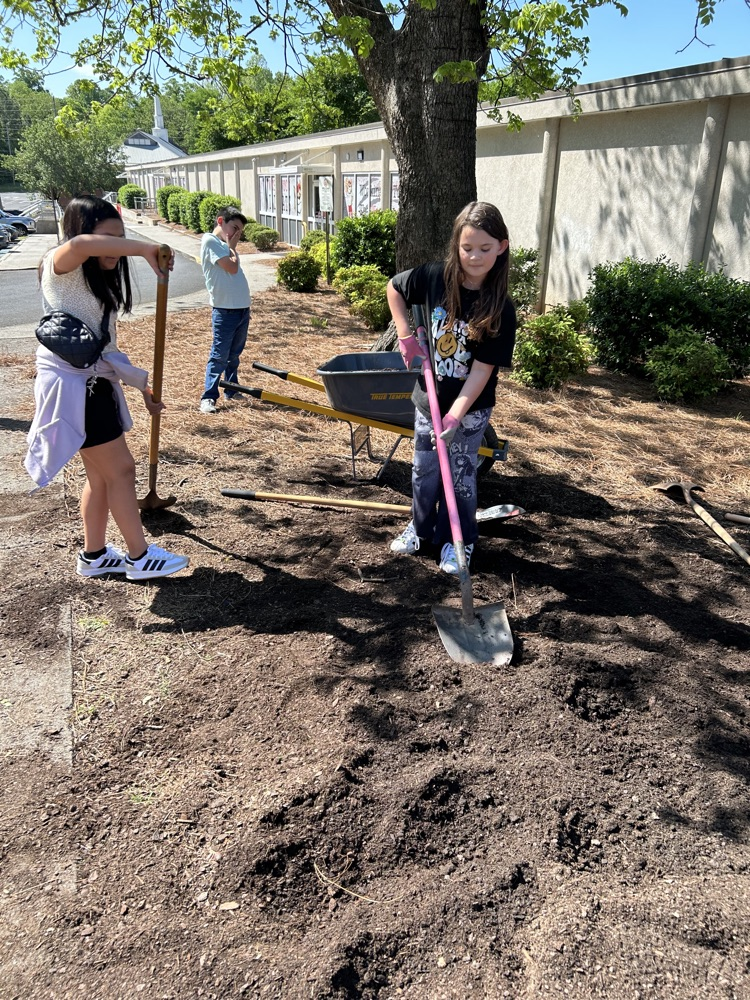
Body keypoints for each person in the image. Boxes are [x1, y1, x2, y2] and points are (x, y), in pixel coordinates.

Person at [24, 195, 190, 582]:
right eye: (109, 238)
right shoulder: (61, 264)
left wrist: (142, 389)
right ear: (82, 231)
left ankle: (95, 555)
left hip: (93, 384)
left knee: (100, 477)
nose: (116, 247)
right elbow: (82, 246)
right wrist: (146, 247)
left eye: (121, 237)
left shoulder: (97, 282)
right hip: (74, 389)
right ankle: (139, 557)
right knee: (122, 471)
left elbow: (107, 347)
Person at [386, 201, 517, 575]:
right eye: (467, 248)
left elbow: (481, 371)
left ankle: (458, 543)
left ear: (501, 247)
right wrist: (406, 334)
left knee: (459, 477)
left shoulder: (500, 309)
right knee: (423, 471)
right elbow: (394, 288)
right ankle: (420, 529)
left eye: (485, 249)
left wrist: (456, 414)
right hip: (427, 401)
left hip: (470, 410)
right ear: (456, 245)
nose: (474, 257)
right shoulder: (433, 278)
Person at [199, 207, 251, 413]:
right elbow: (232, 267)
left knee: (234, 354)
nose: (237, 234)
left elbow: (233, 269)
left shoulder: (225, 245)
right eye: (234, 228)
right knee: (219, 354)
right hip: (225, 310)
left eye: (240, 231)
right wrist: (233, 246)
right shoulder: (211, 241)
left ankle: (231, 388)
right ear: (220, 221)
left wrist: (231, 246)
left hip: (241, 309)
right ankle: (208, 396)